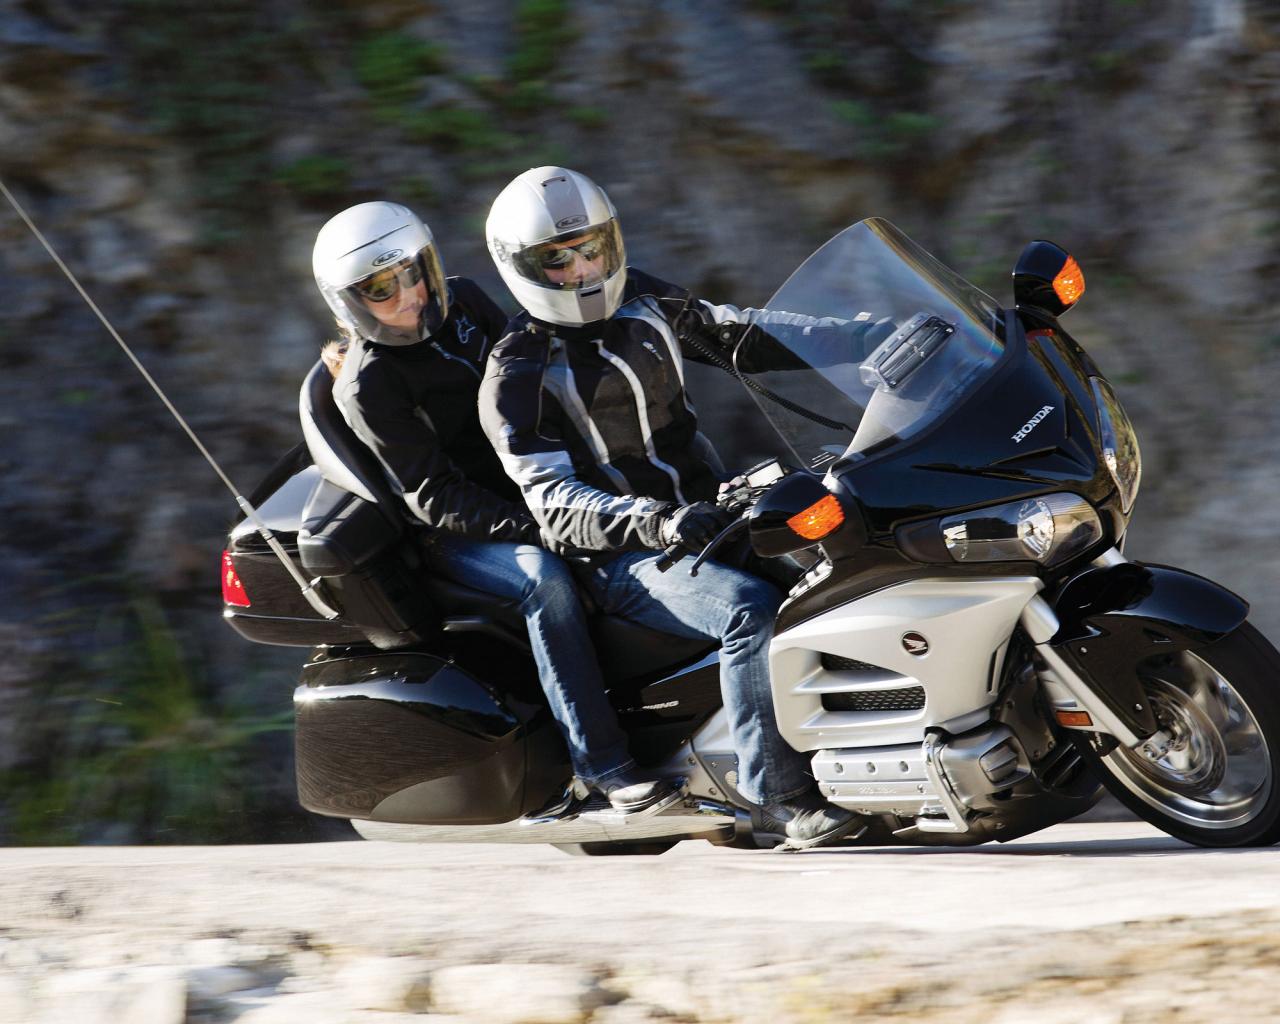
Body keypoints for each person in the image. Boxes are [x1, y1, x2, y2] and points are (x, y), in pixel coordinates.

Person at [480, 166, 876, 849]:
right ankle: (777, 797)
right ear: (523, 269)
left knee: (844, 550)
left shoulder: (646, 301)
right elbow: (553, 502)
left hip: (706, 516)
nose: (583, 270)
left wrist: (862, 337)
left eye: (591, 249)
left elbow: (745, 334)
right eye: (558, 260)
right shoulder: (515, 373)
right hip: (620, 559)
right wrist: (657, 521)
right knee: (748, 609)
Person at [311, 200, 676, 814]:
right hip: (453, 529)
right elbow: (433, 495)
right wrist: (537, 526)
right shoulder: (369, 384)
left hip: (527, 482)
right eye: (380, 289)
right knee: (545, 580)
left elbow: (532, 378)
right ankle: (603, 767)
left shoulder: (467, 302)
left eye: (412, 273)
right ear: (348, 301)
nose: (408, 295)